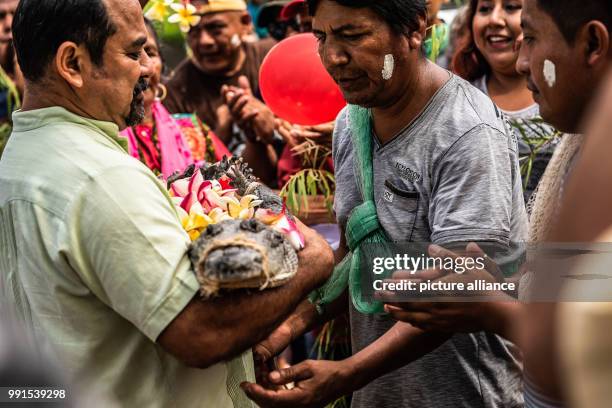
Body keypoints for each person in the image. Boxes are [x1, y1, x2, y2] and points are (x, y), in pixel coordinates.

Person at [0, 1, 334, 407]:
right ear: (72, 63)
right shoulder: (100, 177)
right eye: (132, 52)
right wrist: (313, 259)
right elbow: (201, 334)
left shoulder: (22, 155)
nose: (147, 68)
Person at [241, 1, 528, 407]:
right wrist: (285, 330)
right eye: (321, 37)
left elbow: (457, 294)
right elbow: (358, 260)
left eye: (352, 36)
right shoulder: (351, 121)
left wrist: (346, 374)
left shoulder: (468, 133)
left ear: (413, 30)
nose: (332, 57)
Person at [384, 0, 612, 406]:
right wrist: (505, 278)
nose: (523, 64)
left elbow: (581, 352)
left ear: (593, 43)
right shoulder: (584, 141)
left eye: (533, 38)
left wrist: (493, 309)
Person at [164, 0, 279, 184]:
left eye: (216, 28)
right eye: (193, 31)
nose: (205, 41)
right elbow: (180, 175)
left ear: (245, 23)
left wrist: (271, 123)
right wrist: (217, 136)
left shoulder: (273, 57)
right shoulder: (176, 91)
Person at [453, 0, 557, 201]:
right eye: (484, 9)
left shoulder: (566, 99)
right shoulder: (457, 100)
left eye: (511, 7)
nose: (494, 20)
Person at [120, 19, 230, 179]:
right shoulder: (101, 139)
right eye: (131, 54)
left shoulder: (193, 130)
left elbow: (243, 191)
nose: (145, 67)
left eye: (150, 52)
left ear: (162, 65)